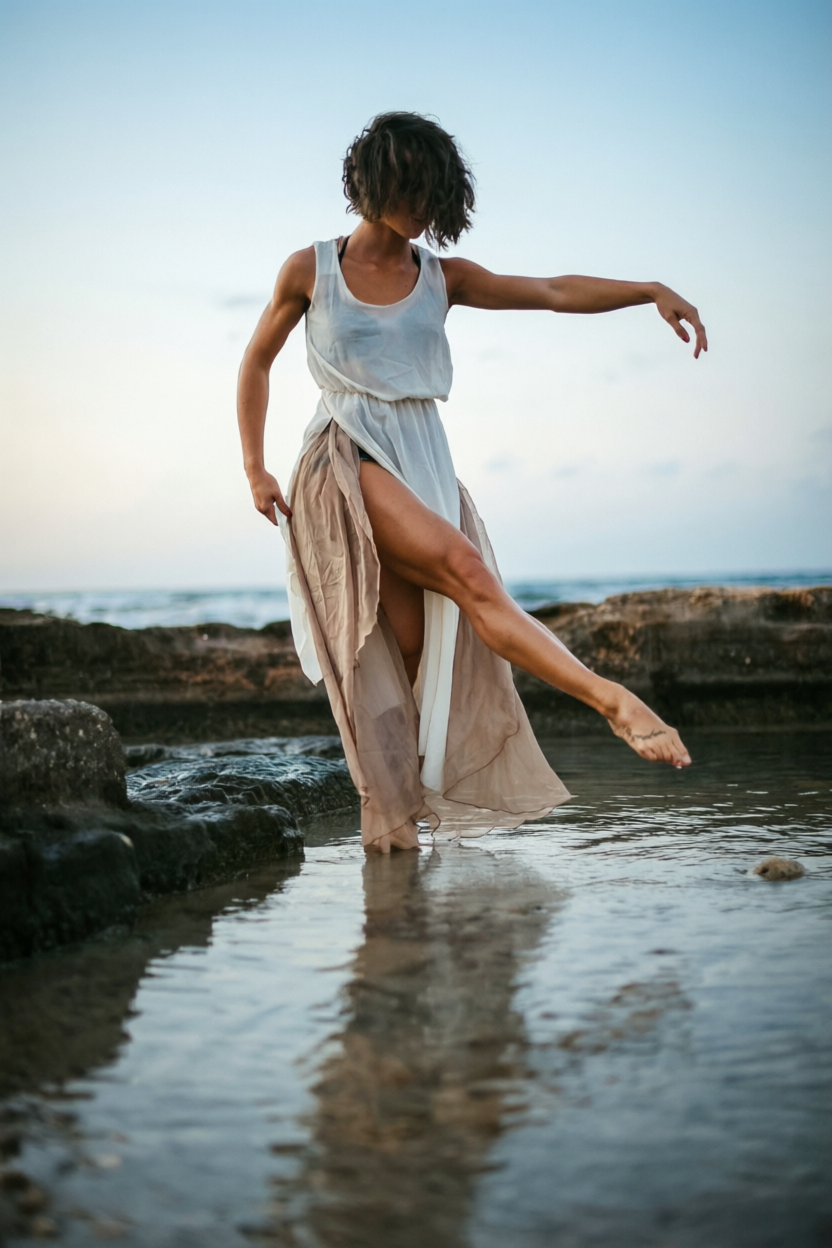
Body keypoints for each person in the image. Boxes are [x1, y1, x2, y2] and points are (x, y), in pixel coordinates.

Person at [237, 112, 707, 854]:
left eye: (436, 193)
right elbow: (256, 362)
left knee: (415, 651)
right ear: (378, 182)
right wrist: (255, 466)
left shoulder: (440, 278)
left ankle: (393, 853)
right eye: (415, 188)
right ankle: (614, 703)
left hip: (423, 459)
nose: (425, 206)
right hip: (345, 455)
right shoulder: (310, 269)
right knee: (468, 575)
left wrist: (647, 290)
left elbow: (550, 290)